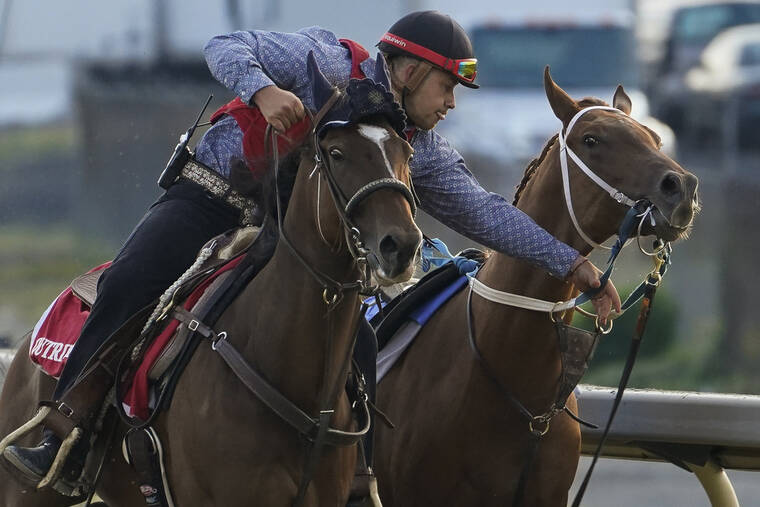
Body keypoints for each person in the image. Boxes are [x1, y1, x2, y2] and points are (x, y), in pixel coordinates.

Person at [3, 10, 620, 486]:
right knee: (133, 281)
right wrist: (261, 91)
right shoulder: (322, 60)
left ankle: (358, 476)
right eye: (447, 87)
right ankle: (67, 425)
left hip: (294, 238)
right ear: (408, 71)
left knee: (363, 338)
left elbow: (483, 211)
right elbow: (225, 46)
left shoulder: (416, 143)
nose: (451, 105)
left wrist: (573, 265)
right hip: (211, 201)